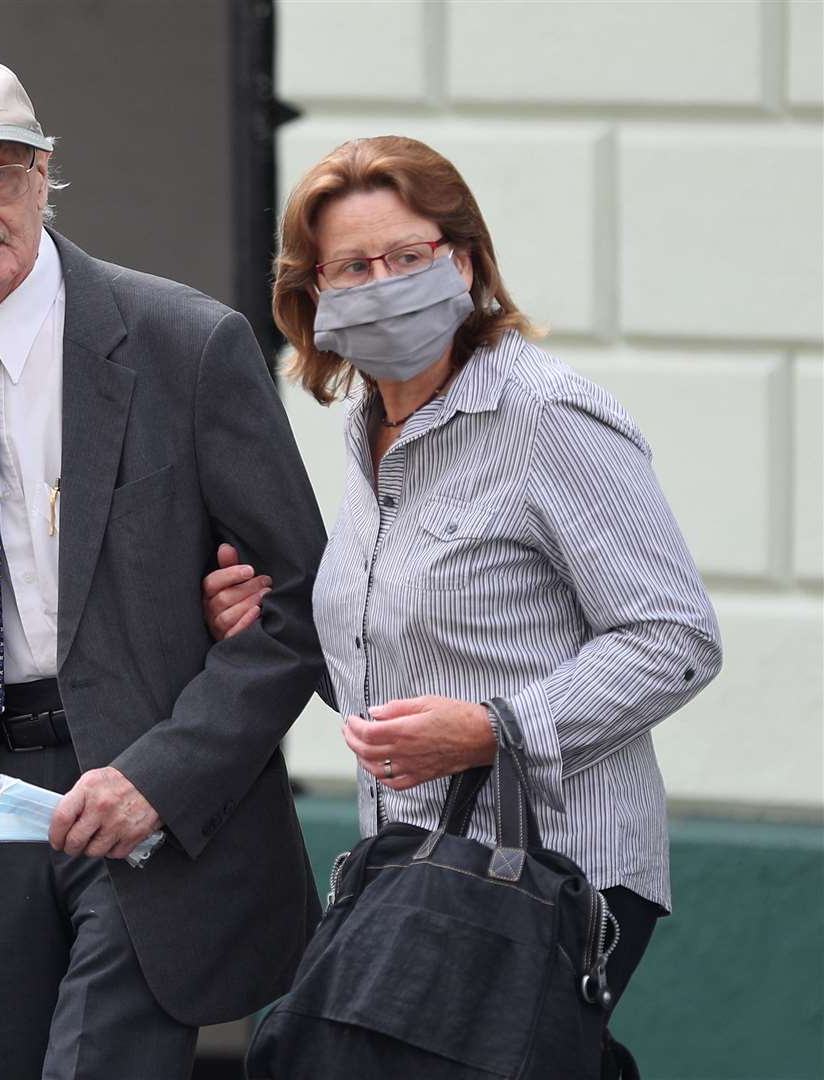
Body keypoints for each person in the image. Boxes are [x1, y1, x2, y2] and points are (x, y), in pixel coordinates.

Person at [0, 54, 332, 1080]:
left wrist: (160, 781)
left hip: (148, 793)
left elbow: (301, 604)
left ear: (45, 173)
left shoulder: (185, 342)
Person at [205, 135, 722, 1070]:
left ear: (466, 262)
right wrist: (270, 621)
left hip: (555, 870)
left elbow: (676, 636)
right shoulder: (368, 428)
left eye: (410, 256)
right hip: (411, 864)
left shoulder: (545, 415)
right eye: (355, 266)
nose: (386, 280)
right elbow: (412, 654)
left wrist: (495, 729)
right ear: (313, 292)